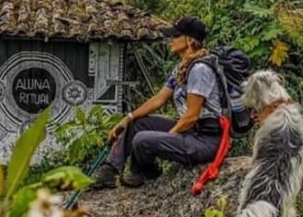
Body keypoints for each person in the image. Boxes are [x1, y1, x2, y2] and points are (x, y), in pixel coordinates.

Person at [91, 16, 224, 189]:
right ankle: (110, 171)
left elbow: (192, 116)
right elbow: (159, 99)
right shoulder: (182, 68)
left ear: (190, 40)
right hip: (191, 132)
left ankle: (146, 171)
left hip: (205, 139)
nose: (171, 40)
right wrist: (128, 118)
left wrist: (167, 137)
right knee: (137, 125)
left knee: (142, 140)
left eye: (175, 36)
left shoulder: (200, 70)